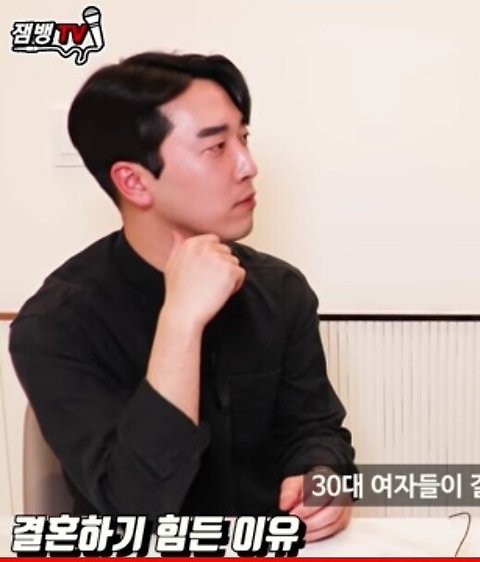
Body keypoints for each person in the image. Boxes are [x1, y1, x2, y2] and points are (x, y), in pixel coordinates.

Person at [9, 52, 355, 542]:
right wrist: (181, 323)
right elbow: (137, 510)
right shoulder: (56, 324)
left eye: (244, 138)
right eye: (216, 147)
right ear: (134, 181)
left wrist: (323, 477)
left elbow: (315, 428)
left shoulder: (280, 290)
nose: (248, 166)